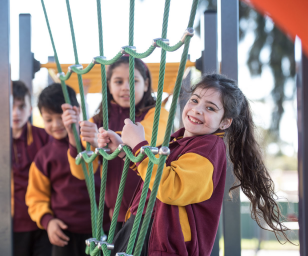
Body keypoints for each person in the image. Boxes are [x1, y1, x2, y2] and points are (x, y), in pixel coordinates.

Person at [98, 74, 290, 256]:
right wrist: (124, 151)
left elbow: (170, 187)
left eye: (211, 108)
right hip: (144, 229)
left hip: (166, 243)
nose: (197, 110)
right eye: (195, 100)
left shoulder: (207, 149)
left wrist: (140, 146)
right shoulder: (178, 141)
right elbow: (155, 173)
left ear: (224, 122)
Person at [62, 56, 168, 235]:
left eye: (134, 81)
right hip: (115, 217)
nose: (126, 87)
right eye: (118, 81)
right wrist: (73, 135)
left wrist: (102, 140)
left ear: (146, 83)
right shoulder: (97, 121)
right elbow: (82, 172)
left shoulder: (158, 114)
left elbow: (144, 137)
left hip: (151, 213)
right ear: (109, 85)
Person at [26, 83, 110, 256]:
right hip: (65, 233)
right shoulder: (44, 157)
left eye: (61, 117)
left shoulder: (92, 142)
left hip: (101, 229)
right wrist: (48, 221)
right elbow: (36, 197)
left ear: (76, 112)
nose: (56, 124)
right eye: (49, 120)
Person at [0, 81, 51, 256]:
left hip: (45, 225)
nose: (16, 112)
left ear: (30, 110)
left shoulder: (45, 138)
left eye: (22, 106)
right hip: (9, 229)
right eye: (11, 106)